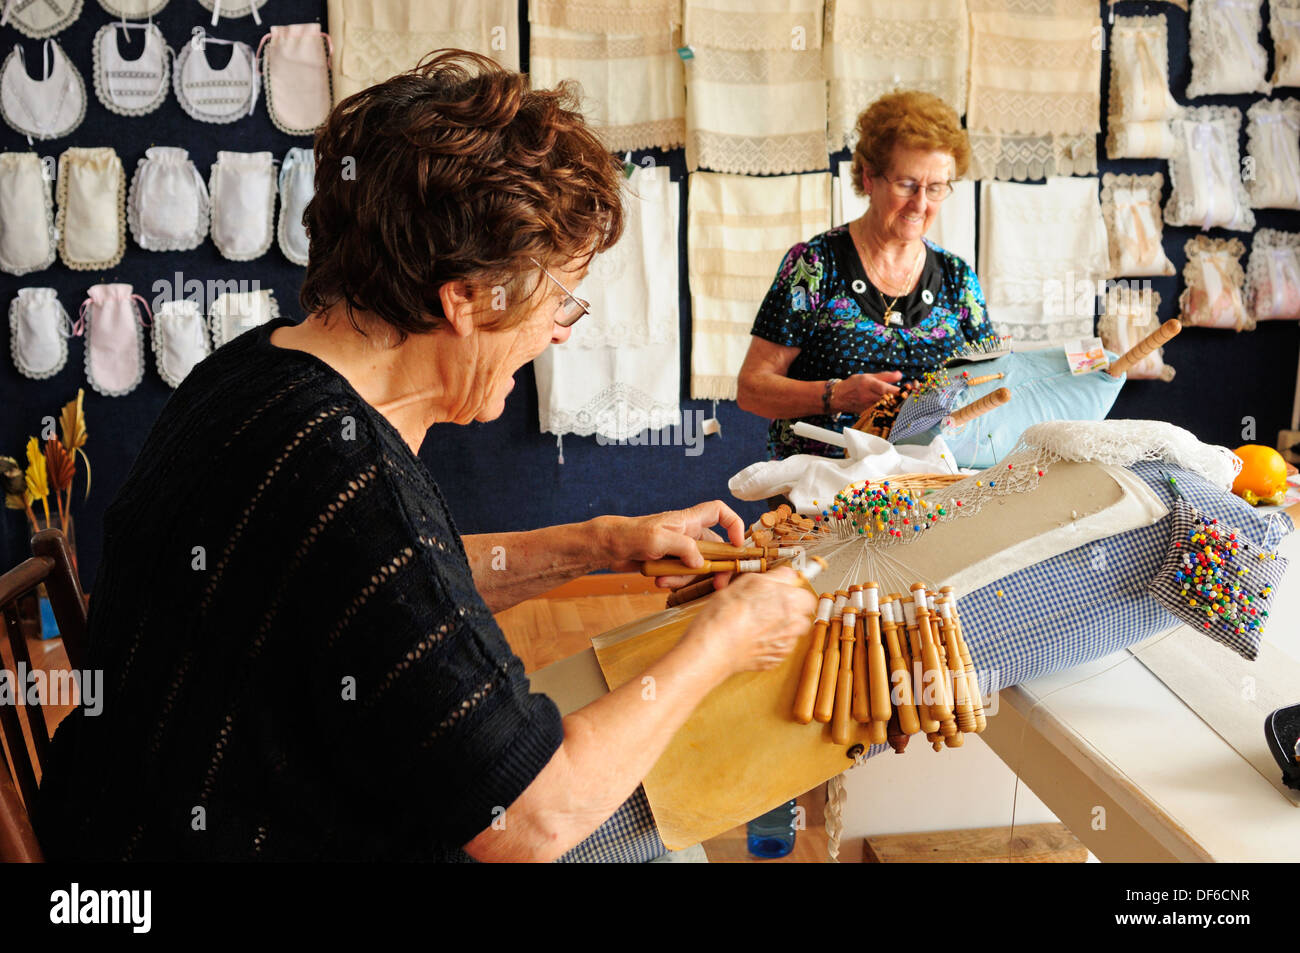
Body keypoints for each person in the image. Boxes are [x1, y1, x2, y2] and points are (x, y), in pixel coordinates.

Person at [35, 50, 815, 862]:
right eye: (559, 301)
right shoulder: (354, 482)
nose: (559, 331)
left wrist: (604, 544)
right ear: (466, 299)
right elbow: (531, 819)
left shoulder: (250, 372)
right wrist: (726, 635)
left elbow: (386, 598)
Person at [737, 91, 1000, 460]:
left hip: (928, 490)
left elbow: (992, 382)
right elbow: (751, 390)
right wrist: (835, 395)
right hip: (822, 492)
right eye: (906, 184)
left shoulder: (957, 278)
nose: (921, 204)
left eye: (936, 187)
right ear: (869, 177)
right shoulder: (814, 266)